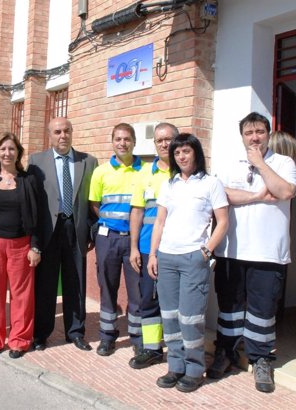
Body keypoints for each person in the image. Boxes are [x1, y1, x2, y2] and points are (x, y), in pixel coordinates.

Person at [207, 113, 296, 393]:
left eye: (259, 131)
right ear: (242, 136)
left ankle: (261, 359)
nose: (254, 137)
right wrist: (258, 196)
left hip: (268, 252)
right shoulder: (230, 164)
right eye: (249, 132)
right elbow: (220, 194)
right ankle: (226, 351)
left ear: (268, 133)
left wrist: (260, 164)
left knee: (263, 310)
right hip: (231, 250)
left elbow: (285, 191)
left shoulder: (283, 162)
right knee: (230, 307)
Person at [148, 133, 229, 393]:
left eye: (186, 151)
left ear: (196, 153)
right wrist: (153, 254)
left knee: (190, 318)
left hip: (194, 258)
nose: (182, 156)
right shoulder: (168, 184)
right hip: (167, 257)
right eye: (177, 153)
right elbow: (159, 222)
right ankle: (176, 366)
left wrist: (206, 251)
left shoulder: (210, 183)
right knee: (170, 317)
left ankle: (194, 369)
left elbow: (223, 222)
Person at [27, 117, 97, 352]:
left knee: (75, 282)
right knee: (45, 284)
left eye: (67, 131)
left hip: (76, 231)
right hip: (49, 231)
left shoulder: (88, 161)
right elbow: (33, 201)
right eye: (57, 131)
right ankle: (41, 334)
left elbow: (93, 200)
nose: (63, 135)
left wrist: (90, 230)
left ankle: (75, 332)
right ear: (50, 134)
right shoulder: (36, 162)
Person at [0, 132, 41, 359]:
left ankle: (19, 341)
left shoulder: (28, 181)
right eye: (3, 149)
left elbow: (38, 217)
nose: (7, 153)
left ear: (18, 153)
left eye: (11, 149)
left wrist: (35, 246)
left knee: (22, 297)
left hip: (22, 246)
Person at [88, 123, 147, 357]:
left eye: (127, 139)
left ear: (134, 142)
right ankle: (107, 337)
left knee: (137, 291)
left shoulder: (145, 170)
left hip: (135, 241)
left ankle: (138, 338)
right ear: (112, 141)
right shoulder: (101, 172)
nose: (122, 143)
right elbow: (94, 204)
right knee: (107, 288)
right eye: (118, 139)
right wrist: (110, 225)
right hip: (108, 239)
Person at [128, 122, 179, 369]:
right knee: (148, 299)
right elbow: (137, 212)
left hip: (179, 249)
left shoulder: (187, 173)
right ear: (155, 144)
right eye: (160, 140)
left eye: (169, 139)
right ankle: (152, 349)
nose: (165, 144)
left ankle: (178, 351)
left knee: (177, 302)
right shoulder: (144, 175)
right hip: (149, 249)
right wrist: (134, 248)